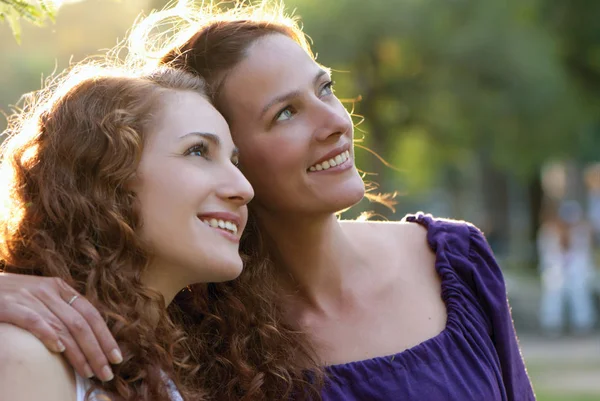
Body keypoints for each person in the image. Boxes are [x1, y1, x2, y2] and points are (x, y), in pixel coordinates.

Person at [0, 1, 535, 400]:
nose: (336, 123)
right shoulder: (183, 324)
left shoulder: (454, 261)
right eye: (285, 114)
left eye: (325, 89)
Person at [0, 63, 253, 401]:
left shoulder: (164, 365)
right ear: (107, 178)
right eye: (198, 151)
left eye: (234, 162)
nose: (244, 188)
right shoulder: (28, 353)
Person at [537, 200, 596, 336]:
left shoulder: (581, 231)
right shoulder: (549, 231)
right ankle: (552, 325)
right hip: (556, 268)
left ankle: (583, 324)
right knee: (553, 295)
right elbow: (547, 253)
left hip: (576, 269)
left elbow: (584, 253)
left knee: (579, 293)